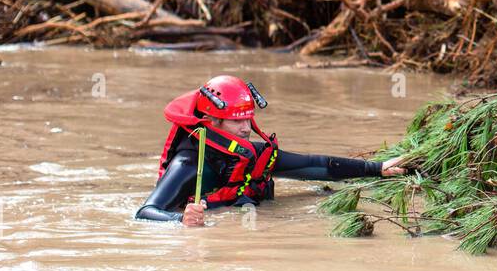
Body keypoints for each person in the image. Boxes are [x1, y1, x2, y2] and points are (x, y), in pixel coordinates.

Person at [136, 75, 405, 225]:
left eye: (248, 119)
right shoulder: (188, 164)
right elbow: (145, 212)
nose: (245, 128)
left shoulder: (247, 154)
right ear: (212, 122)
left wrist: (378, 169)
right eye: (236, 121)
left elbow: (313, 166)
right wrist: (180, 219)